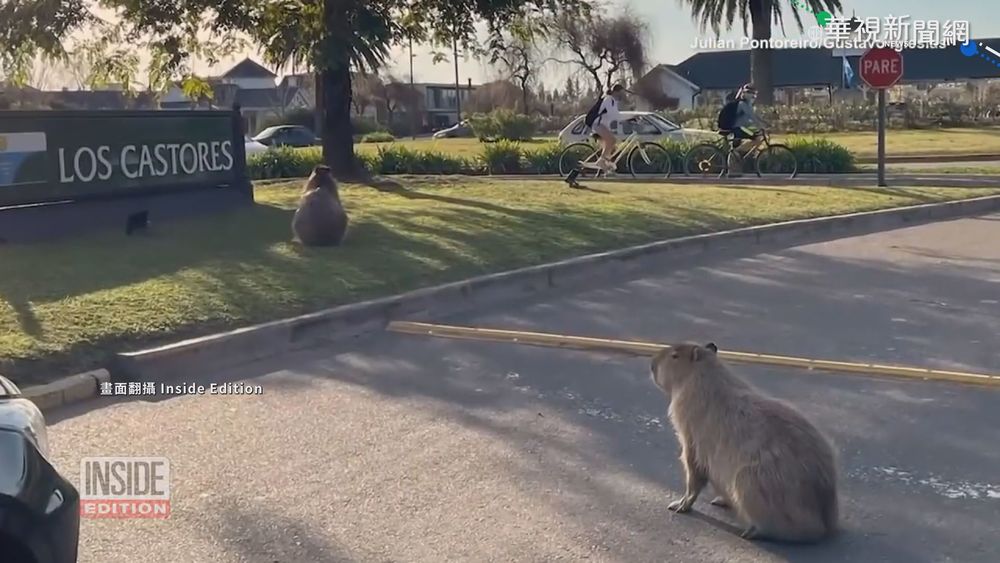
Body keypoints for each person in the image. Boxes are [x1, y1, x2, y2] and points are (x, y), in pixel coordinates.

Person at [583, 83, 627, 173]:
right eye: (621, 93)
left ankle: (605, 165)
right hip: (596, 123)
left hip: (601, 124)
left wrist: (631, 118)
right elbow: (615, 116)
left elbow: (615, 116)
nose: (623, 95)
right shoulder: (609, 100)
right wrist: (632, 117)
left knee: (611, 144)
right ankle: (601, 162)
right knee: (611, 140)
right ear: (616, 92)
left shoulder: (613, 101)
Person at [728, 84, 769, 176]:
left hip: (743, 126)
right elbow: (752, 117)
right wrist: (760, 126)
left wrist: (765, 122)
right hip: (737, 127)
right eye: (751, 93)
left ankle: (736, 165)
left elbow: (754, 115)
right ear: (746, 94)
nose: (753, 96)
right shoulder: (742, 104)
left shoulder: (748, 103)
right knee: (756, 137)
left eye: (754, 94)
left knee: (757, 137)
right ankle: (737, 152)